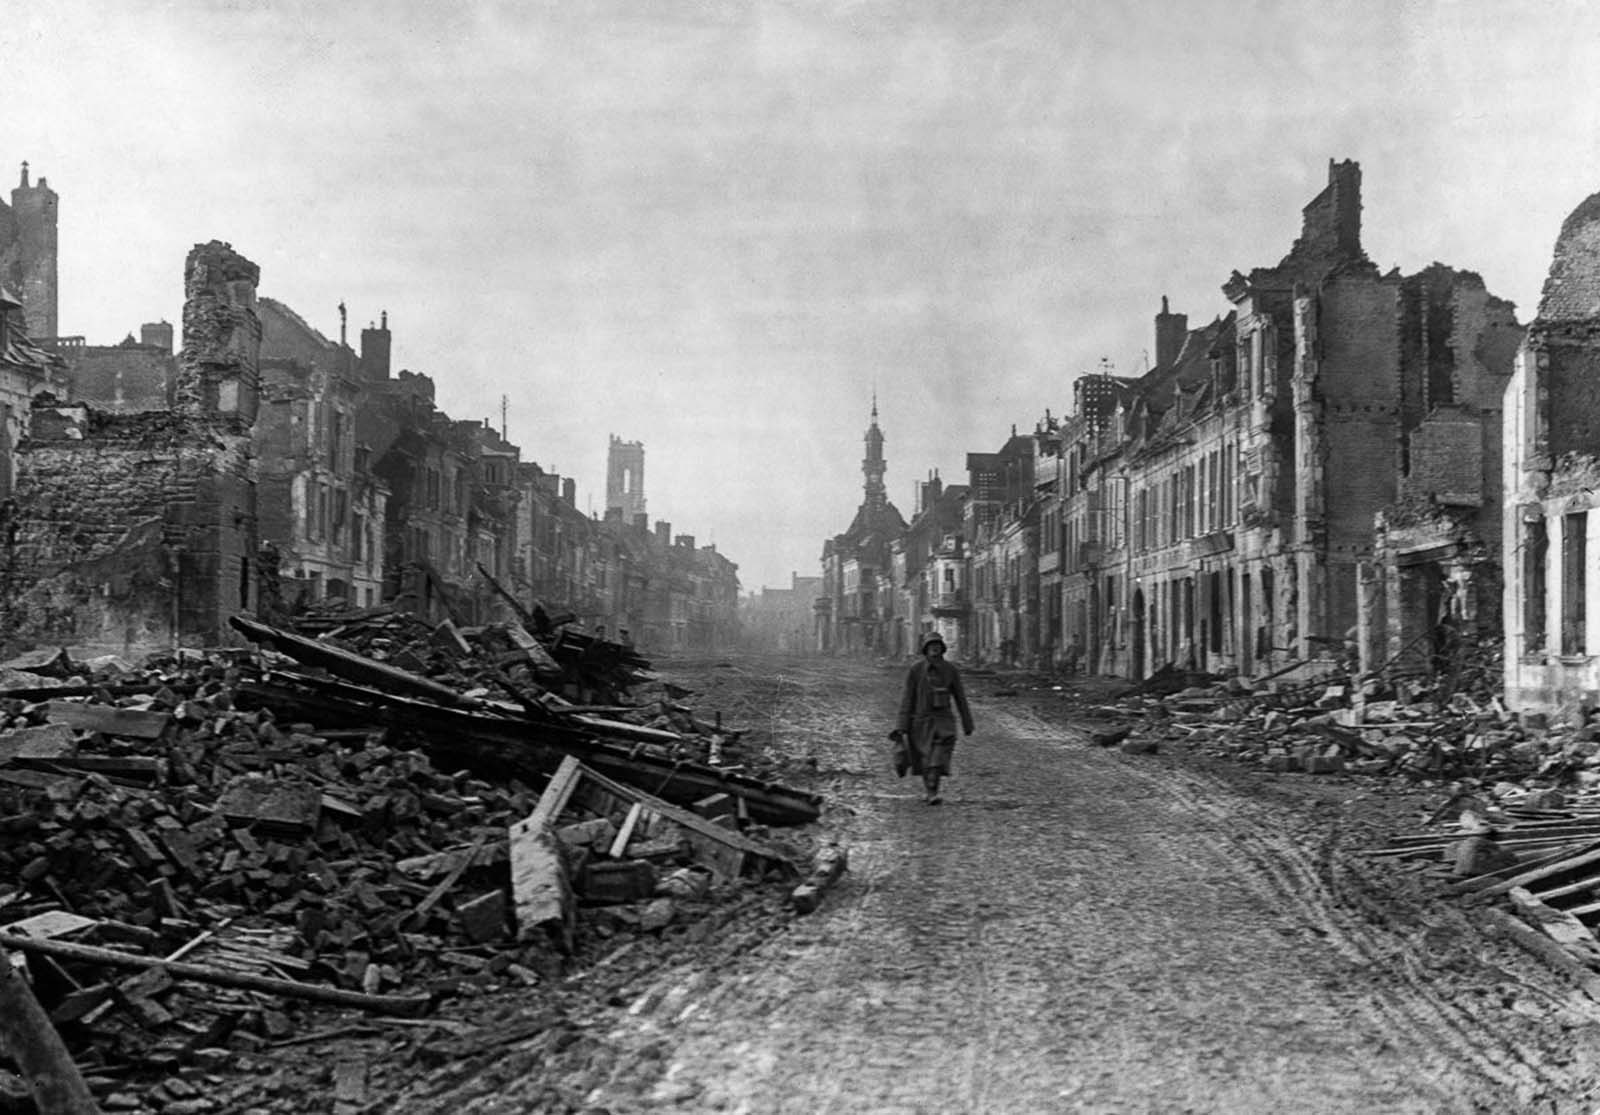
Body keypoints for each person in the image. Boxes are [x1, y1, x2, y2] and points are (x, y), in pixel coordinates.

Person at [896, 631, 975, 805]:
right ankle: (930, 790)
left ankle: (932, 792)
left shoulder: (950, 670)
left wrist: (967, 723)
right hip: (920, 723)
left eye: (937, 646)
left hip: (943, 721)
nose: (934, 649)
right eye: (931, 646)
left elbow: (960, 697)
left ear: (942, 649)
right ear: (925, 649)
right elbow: (907, 698)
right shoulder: (916, 670)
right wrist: (902, 726)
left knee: (936, 759)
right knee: (925, 760)